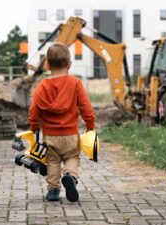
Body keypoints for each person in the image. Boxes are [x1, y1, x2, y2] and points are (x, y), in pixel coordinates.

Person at [28, 42, 95, 202]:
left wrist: (34, 127)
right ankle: (70, 176)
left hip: (50, 135)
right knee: (72, 158)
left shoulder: (42, 86)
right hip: (71, 134)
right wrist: (90, 124)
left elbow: (34, 110)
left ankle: (53, 190)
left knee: (52, 161)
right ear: (69, 64)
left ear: (48, 65)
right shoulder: (75, 83)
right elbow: (86, 107)